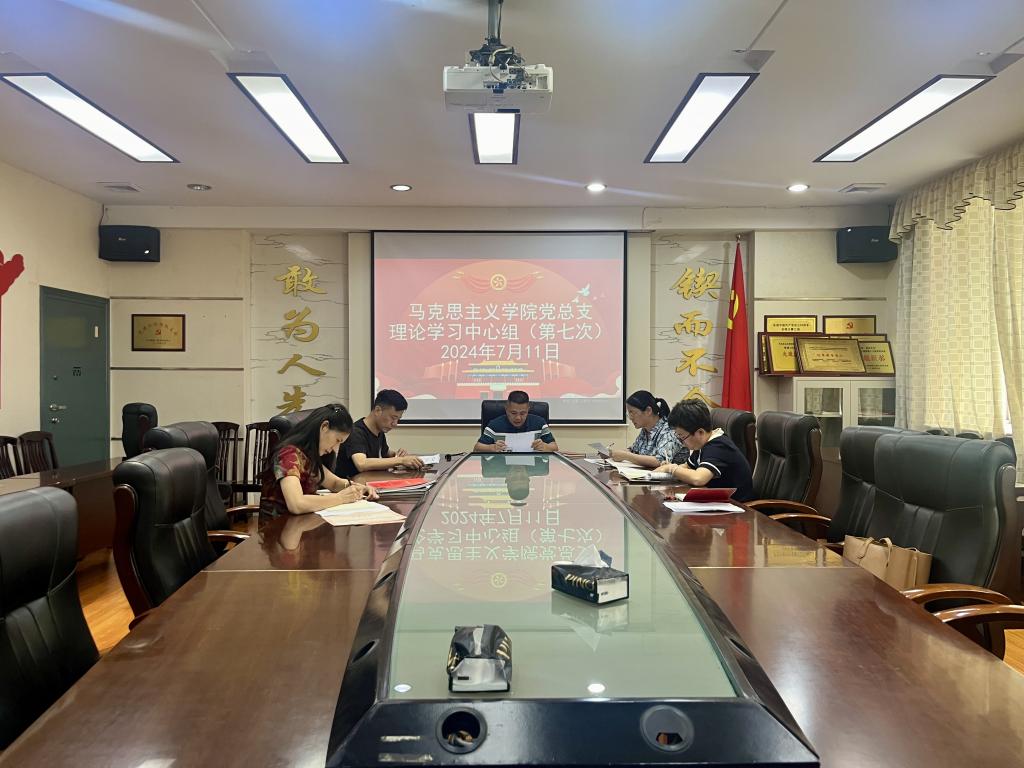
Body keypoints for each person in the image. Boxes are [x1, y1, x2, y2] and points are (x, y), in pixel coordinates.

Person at [260, 403, 378, 516]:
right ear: (324, 427)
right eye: (337, 440)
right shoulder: (288, 454)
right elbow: (296, 504)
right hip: (279, 526)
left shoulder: (308, 455)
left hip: (302, 522)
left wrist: (358, 488)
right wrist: (340, 498)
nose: (335, 449)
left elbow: (334, 483)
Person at [655, 399, 754, 501]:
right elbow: (687, 466)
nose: (681, 442)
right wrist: (666, 469)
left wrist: (672, 469)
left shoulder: (718, 446)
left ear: (700, 432)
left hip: (737, 505)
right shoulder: (701, 444)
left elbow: (698, 478)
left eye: (682, 437)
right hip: (716, 501)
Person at [337, 389, 424, 476]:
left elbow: (386, 453)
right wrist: (401, 460)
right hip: (351, 483)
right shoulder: (356, 432)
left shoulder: (379, 431)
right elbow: (361, 464)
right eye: (393, 418)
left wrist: (398, 455)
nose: (395, 424)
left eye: (398, 419)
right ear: (378, 410)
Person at [606, 390, 683, 468]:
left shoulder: (669, 430)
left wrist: (626, 456)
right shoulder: (645, 430)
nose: (631, 418)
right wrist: (613, 454)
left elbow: (660, 461)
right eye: (629, 413)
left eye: (632, 412)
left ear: (648, 411)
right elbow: (633, 451)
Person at [475, 390, 558, 453]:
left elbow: (555, 447)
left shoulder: (539, 423)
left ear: (528, 409)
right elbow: (477, 448)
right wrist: (491, 448)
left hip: (532, 469)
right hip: (502, 468)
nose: (518, 418)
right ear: (506, 409)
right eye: (513, 413)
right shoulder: (494, 425)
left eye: (523, 413)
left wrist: (545, 447)